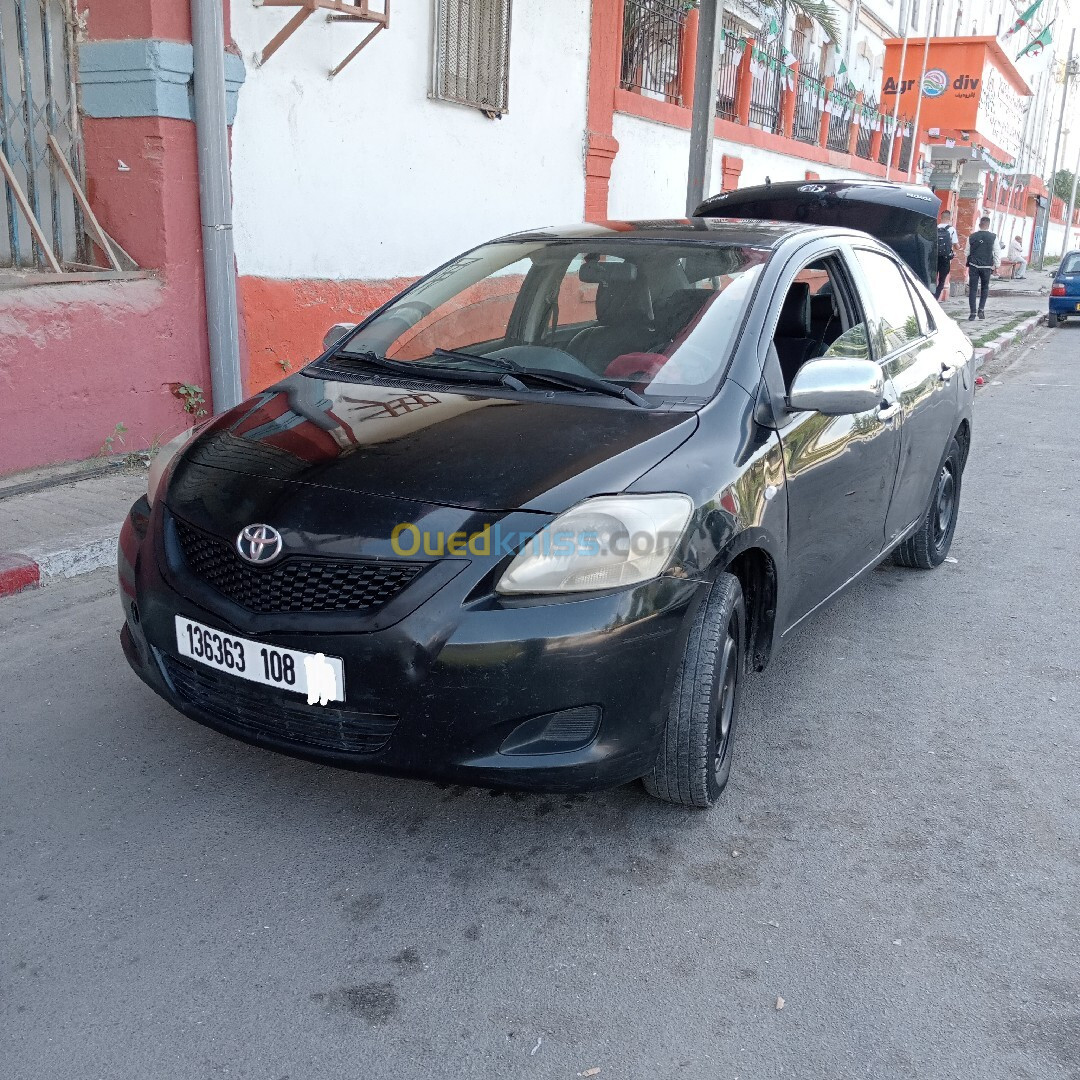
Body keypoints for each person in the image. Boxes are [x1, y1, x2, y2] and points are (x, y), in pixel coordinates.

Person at [965, 216, 1000, 320]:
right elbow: (997, 251)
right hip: (986, 266)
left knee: (973, 289)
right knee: (985, 288)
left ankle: (972, 313)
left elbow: (966, 252)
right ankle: (981, 310)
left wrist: (971, 259)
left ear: (979, 224)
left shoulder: (971, 236)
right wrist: (997, 266)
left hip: (974, 266)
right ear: (988, 225)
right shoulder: (993, 237)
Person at [936, 211, 959, 300]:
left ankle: (929, 297)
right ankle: (936, 298)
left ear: (940, 218)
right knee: (942, 281)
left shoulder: (935, 228)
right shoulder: (951, 229)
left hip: (934, 258)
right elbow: (956, 246)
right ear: (950, 219)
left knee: (932, 280)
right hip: (945, 258)